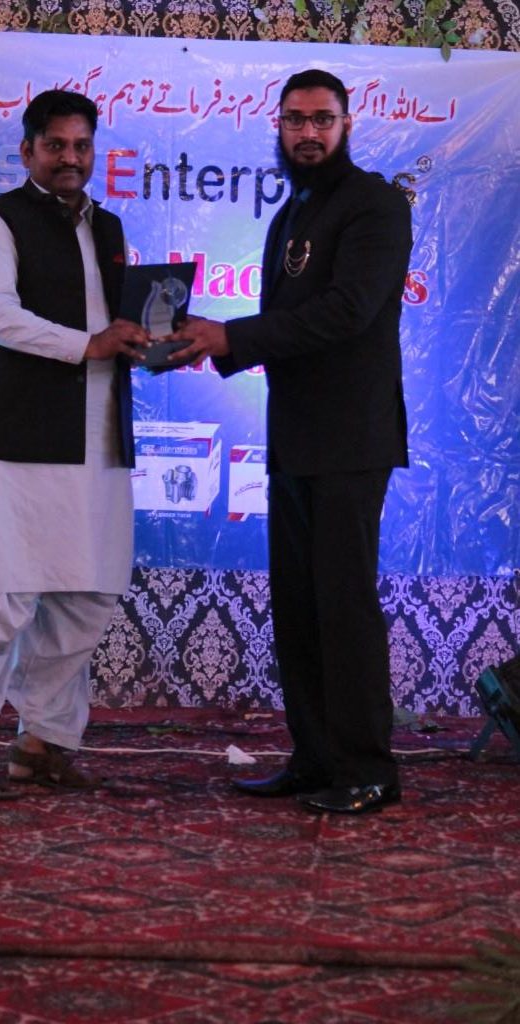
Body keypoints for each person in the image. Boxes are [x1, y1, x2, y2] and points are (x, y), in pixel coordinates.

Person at [172, 69, 413, 814]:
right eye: (295, 120)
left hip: (351, 440)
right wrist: (210, 342)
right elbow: (291, 327)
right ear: (277, 126)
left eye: (322, 120)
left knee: (342, 604)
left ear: (347, 124)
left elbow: (347, 311)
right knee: (300, 606)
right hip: (295, 437)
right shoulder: (293, 212)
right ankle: (315, 759)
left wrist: (231, 337)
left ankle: (367, 769)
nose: (308, 133)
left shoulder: (375, 205)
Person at [0, 89, 149, 801]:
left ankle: (42, 742)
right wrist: (90, 344)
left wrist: (151, 342)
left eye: (82, 145)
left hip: (97, 437)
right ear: (27, 151)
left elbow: (115, 324)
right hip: (15, 438)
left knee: (88, 596)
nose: (70, 158)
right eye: (55, 145)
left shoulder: (108, 226)